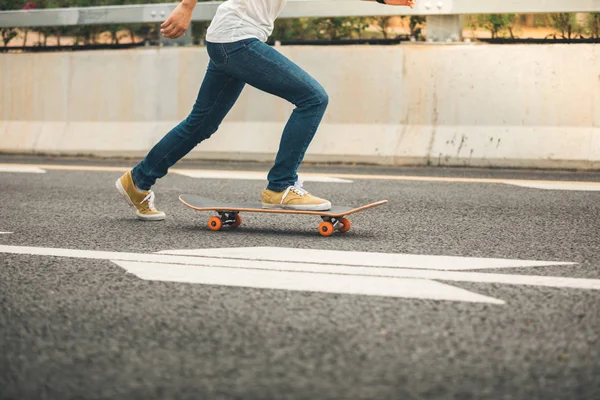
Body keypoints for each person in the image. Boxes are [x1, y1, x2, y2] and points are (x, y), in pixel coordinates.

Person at [116, 0, 416, 221]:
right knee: (313, 98)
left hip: (229, 39)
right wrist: (186, 7)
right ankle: (281, 186)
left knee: (202, 123)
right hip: (236, 39)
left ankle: (139, 180)